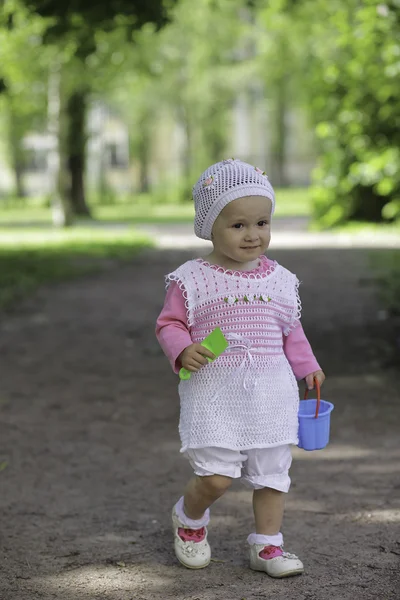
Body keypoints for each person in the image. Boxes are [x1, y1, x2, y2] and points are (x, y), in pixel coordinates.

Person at [155, 158, 325, 577]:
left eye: (262, 222)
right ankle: (190, 520)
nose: (254, 235)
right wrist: (182, 349)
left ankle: (267, 546)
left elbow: (291, 329)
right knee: (216, 477)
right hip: (215, 391)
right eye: (238, 225)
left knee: (272, 476)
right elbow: (169, 323)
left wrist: (309, 368)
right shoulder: (192, 278)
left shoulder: (281, 279)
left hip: (270, 392)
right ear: (210, 226)